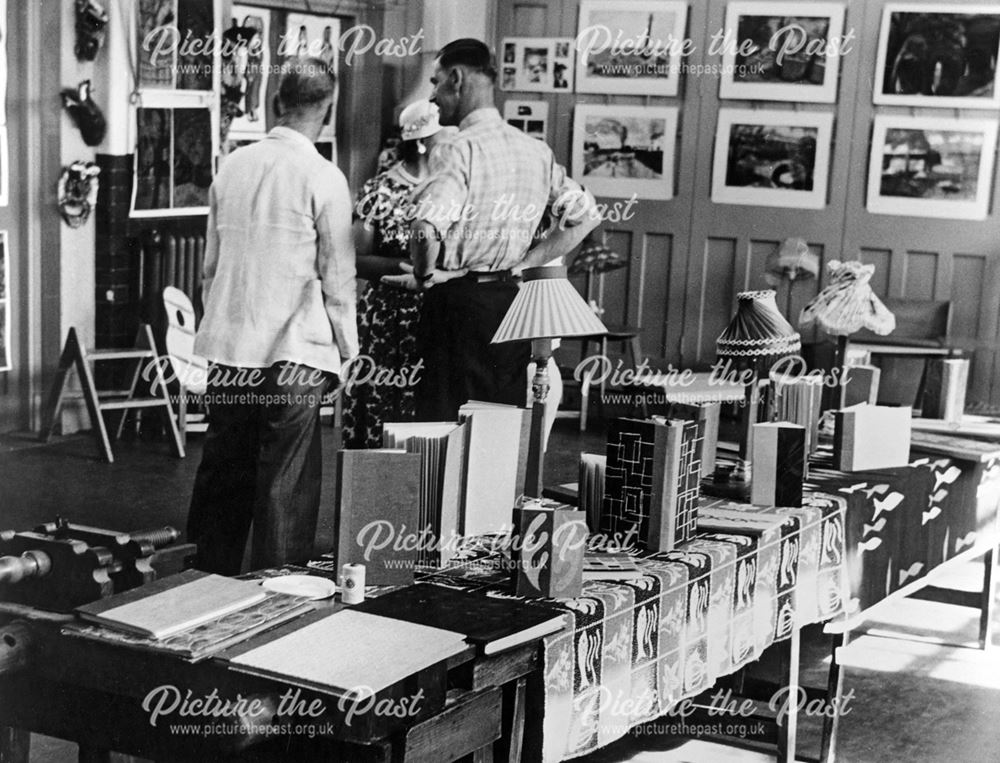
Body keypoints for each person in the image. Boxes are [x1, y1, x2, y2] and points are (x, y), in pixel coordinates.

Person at [186, 58, 358, 575]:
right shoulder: (324, 176)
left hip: (230, 349)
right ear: (327, 110)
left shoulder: (232, 167)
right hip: (295, 354)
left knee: (223, 480)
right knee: (285, 488)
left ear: (275, 101)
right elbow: (338, 279)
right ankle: (277, 606)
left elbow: (210, 270)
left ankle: (201, 591)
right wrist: (348, 353)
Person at [405, 38, 600, 422]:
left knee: (442, 432)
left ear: (457, 79)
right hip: (512, 308)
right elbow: (587, 214)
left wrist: (424, 274)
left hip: (456, 307)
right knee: (497, 428)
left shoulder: (458, 149)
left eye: (436, 82)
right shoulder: (536, 151)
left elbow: (426, 229)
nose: (433, 96)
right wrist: (528, 262)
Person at [342, 100, 460, 448]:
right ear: (422, 141)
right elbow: (356, 258)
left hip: (441, 312)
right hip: (389, 318)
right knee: (384, 408)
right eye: (443, 137)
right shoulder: (379, 190)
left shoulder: (454, 186)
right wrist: (406, 268)